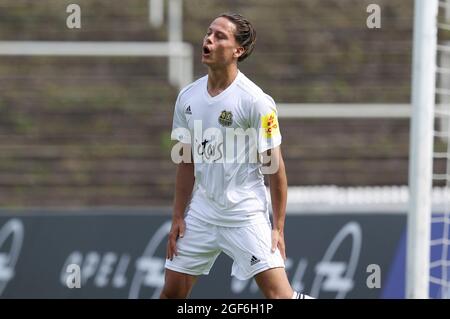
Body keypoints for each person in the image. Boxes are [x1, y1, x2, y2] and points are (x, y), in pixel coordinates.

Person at [160, 13, 312, 299]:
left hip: (244, 213)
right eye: (208, 33)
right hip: (202, 213)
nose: (208, 39)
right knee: (170, 295)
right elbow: (185, 162)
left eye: (219, 36)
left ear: (237, 51)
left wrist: (277, 227)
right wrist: (178, 216)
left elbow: (274, 167)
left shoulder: (256, 101)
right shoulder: (187, 98)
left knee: (280, 296)